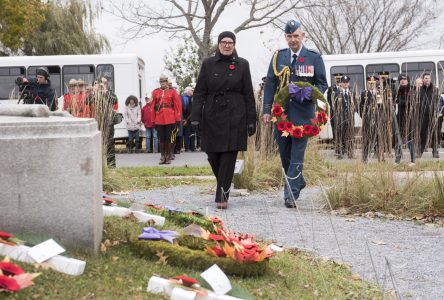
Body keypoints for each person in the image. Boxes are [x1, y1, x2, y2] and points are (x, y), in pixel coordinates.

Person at [262, 19, 327, 208]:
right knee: (285, 154)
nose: (292, 40)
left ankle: (290, 194)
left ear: (303, 36)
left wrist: (308, 94)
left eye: (296, 36)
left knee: (297, 154)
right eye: (289, 36)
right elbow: (270, 84)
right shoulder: (278, 57)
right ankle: (298, 180)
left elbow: (322, 84)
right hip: (281, 114)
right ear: (285, 37)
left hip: (303, 115)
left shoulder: (313, 57)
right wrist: (267, 110)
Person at [191, 31, 257, 209]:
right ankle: (224, 183)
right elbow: (199, 92)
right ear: (218, 44)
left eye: (230, 42)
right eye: (223, 42)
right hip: (212, 114)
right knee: (212, 154)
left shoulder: (243, 64)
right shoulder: (208, 64)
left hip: (235, 113)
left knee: (229, 155)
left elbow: (248, 93)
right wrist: (195, 117)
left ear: (234, 45)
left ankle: (222, 195)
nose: (227, 45)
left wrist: (252, 119)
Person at [150, 74, 182, 164]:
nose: (163, 83)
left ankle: (168, 156)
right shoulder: (155, 92)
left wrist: (177, 118)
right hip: (159, 118)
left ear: (167, 82)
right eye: (161, 82)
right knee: (161, 138)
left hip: (170, 117)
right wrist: (153, 119)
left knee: (169, 138)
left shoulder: (173, 92)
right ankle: (162, 156)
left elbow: (177, 106)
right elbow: (152, 106)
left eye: (164, 81)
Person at [330, 75, 355, 158]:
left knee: (350, 135)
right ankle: (339, 152)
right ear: (340, 83)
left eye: (346, 82)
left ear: (348, 83)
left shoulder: (351, 93)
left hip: (349, 117)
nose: (345, 84)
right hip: (340, 118)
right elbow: (334, 107)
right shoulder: (337, 93)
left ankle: (350, 152)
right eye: (343, 82)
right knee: (340, 135)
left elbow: (355, 105)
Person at [394, 74, 415, 165]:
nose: (403, 81)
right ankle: (397, 160)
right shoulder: (397, 90)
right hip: (399, 118)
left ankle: (413, 160)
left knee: (410, 139)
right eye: (401, 80)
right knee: (398, 139)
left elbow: (411, 102)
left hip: (409, 118)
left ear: (408, 80)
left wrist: (400, 101)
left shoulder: (412, 89)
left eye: (405, 79)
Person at [418, 73, 440, 157]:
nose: (427, 80)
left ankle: (435, 151)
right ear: (423, 79)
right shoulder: (420, 90)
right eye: (425, 78)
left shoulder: (435, 90)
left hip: (433, 115)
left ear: (431, 79)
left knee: (434, 133)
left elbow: (438, 102)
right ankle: (420, 151)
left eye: (428, 78)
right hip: (423, 115)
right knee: (422, 133)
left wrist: (437, 111)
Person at [181, 86, 195, 152]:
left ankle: (192, 147)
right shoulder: (183, 98)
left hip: (193, 119)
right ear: (188, 91)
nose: (192, 91)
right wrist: (184, 119)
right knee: (187, 134)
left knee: (193, 133)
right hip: (187, 119)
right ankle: (187, 147)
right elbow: (184, 110)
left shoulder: (192, 98)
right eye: (191, 90)